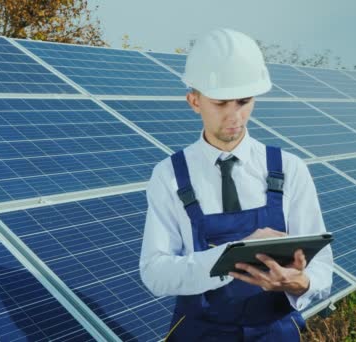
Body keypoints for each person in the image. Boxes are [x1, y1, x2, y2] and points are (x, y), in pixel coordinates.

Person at [139, 28, 333, 341]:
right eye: (220, 103)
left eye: (243, 102)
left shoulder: (290, 169)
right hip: (199, 333)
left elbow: (321, 267)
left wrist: (303, 283)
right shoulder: (170, 175)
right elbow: (155, 273)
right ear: (194, 101)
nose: (234, 116)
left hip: (276, 331)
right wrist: (231, 256)